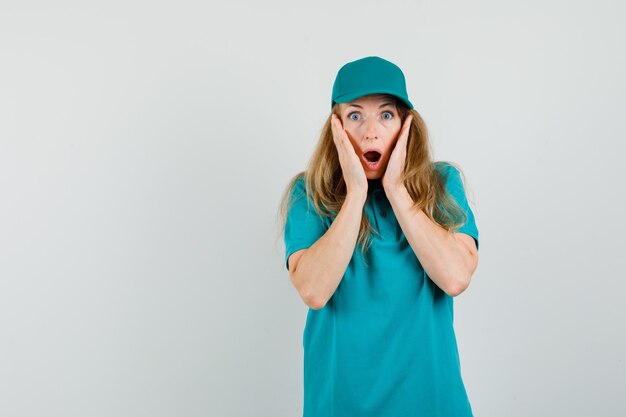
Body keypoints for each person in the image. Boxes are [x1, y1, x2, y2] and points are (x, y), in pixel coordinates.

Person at [278, 56, 480, 417]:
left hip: (433, 404)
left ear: (406, 125)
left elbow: (455, 277)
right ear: (336, 127)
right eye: (355, 116)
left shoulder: (442, 184)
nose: (371, 131)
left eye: (386, 115)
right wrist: (355, 193)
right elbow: (313, 289)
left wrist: (397, 190)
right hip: (340, 406)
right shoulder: (308, 195)